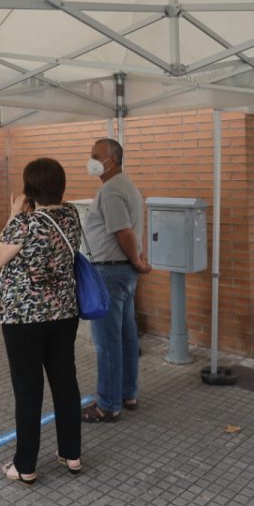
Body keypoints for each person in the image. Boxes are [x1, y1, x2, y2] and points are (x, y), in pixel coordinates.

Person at [0, 157, 83, 484]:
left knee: (29, 389)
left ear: (30, 189)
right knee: (65, 381)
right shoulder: (71, 215)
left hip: (25, 317)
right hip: (64, 312)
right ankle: (71, 454)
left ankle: (25, 465)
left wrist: (14, 213)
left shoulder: (25, 223)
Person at [82, 138, 151, 423]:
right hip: (121, 273)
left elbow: (123, 231)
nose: (92, 160)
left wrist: (136, 260)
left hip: (110, 273)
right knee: (125, 336)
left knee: (108, 343)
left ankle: (108, 405)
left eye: (97, 155)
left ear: (114, 159)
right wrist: (135, 260)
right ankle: (127, 393)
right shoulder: (126, 185)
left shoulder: (111, 191)